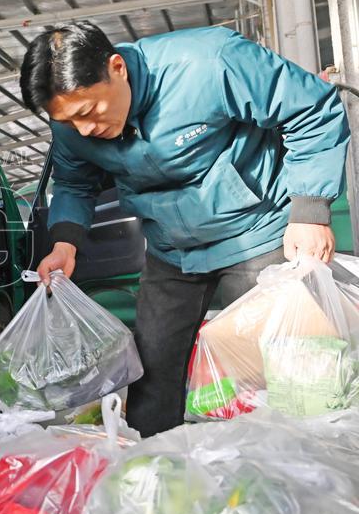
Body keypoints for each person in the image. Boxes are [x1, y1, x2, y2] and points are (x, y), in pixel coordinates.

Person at [19, 21, 349, 436]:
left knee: (286, 361)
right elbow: (73, 182)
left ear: (117, 67)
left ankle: (305, 456)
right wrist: (65, 243)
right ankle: (156, 466)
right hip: (170, 250)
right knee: (151, 372)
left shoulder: (208, 63)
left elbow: (312, 108)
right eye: (68, 122)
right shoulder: (72, 124)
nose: (84, 130)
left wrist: (309, 210)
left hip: (255, 232)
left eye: (88, 112)